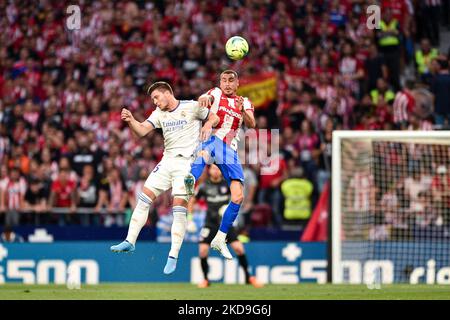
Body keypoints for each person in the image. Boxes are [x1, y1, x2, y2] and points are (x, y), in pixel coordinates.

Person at [110, 81, 219, 275]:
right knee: (143, 199)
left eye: (156, 98)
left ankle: (173, 255)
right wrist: (131, 120)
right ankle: (130, 241)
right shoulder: (159, 114)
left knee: (178, 209)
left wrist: (209, 124)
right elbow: (142, 130)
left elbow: (214, 117)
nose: (155, 102)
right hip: (167, 161)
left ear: (167, 93)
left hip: (186, 164)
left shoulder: (191, 106)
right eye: (153, 100)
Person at [184, 70, 256, 260]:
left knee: (238, 196)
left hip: (229, 151)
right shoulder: (216, 93)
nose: (227, 84)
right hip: (213, 140)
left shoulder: (245, 102)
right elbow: (204, 97)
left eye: (231, 81)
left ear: (237, 83)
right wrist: (203, 100)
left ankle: (221, 237)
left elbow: (252, 123)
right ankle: (191, 178)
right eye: (223, 80)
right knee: (207, 147)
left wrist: (241, 110)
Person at [188, 165, 263, 288]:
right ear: (209, 171)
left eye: (218, 168)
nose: (216, 171)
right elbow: (192, 200)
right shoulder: (203, 186)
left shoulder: (227, 184)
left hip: (225, 224)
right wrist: (189, 219)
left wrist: (230, 208)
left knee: (239, 248)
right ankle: (205, 280)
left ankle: (249, 277)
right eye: (213, 168)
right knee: (203, 250)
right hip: (210, 223)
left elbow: (238, 196)